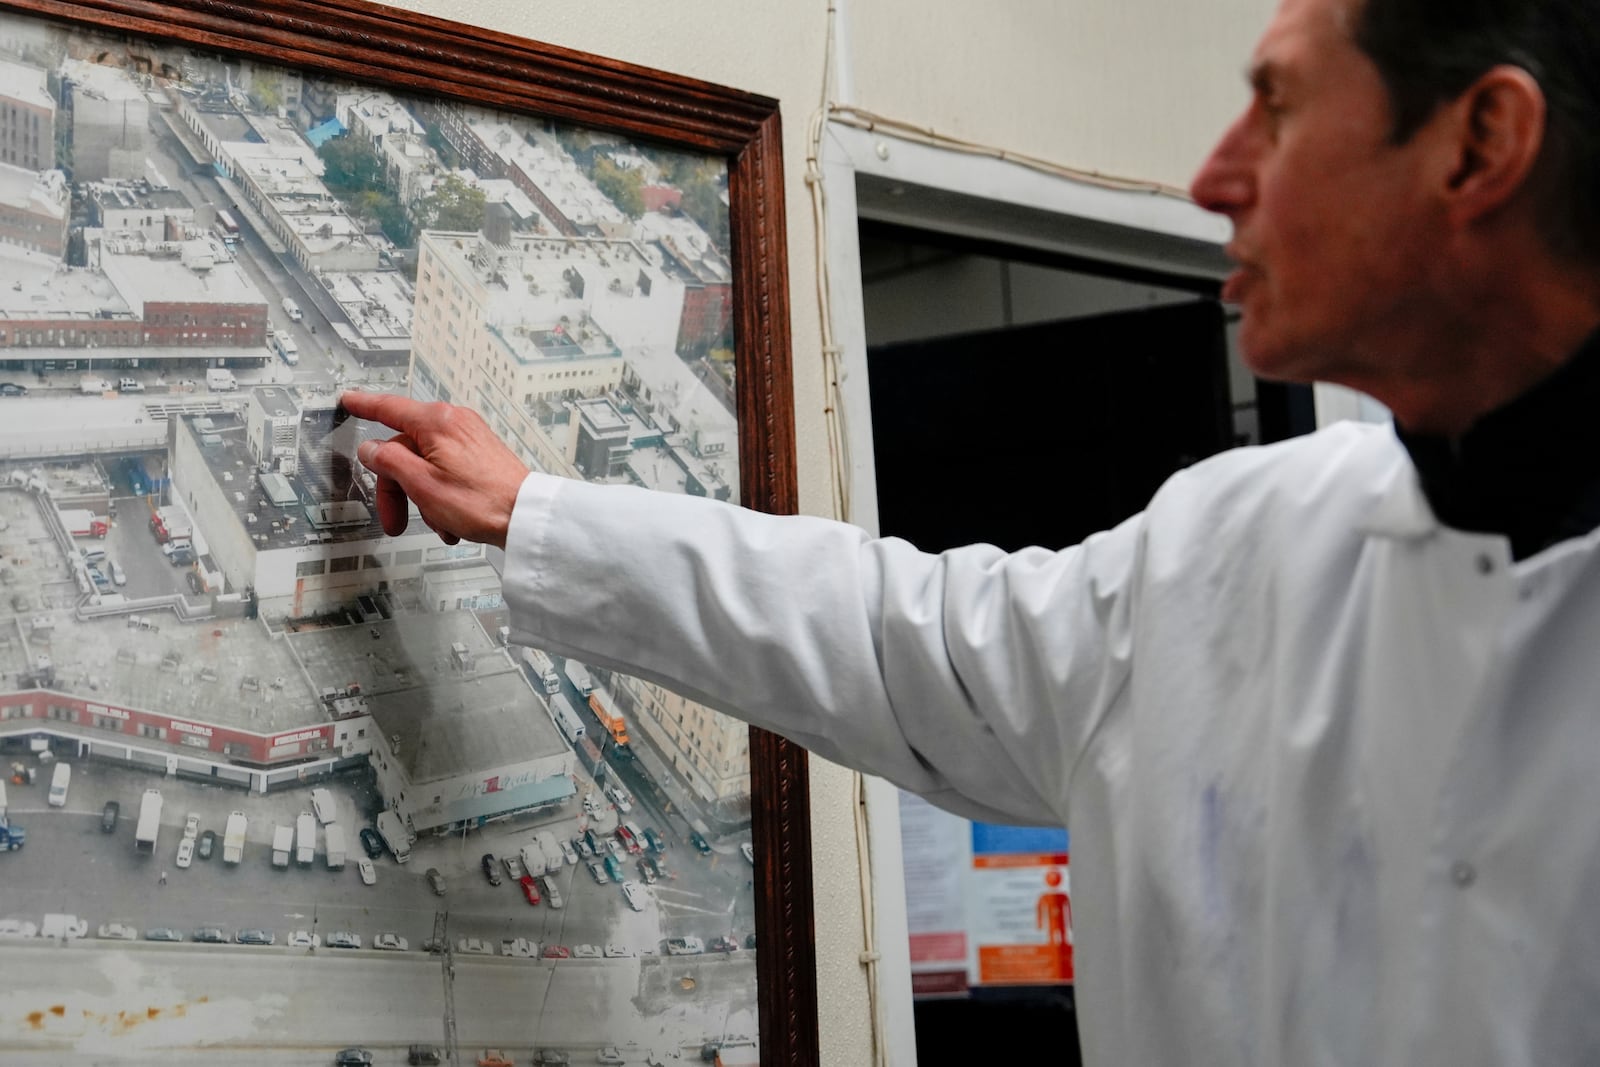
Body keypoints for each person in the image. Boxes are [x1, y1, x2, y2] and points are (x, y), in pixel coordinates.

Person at [341, 0, 1600, 1061]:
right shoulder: (1240, 547)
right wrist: (535, 513)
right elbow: (897, 634)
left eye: (1276, 107)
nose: (1214, 175)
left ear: (1480, 144)